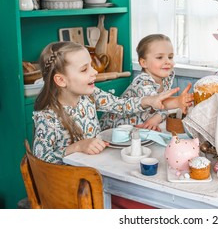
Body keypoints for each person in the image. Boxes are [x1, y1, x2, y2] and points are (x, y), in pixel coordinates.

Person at [32, 41, 192, 164]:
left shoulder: (90, 95)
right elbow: (40, 158)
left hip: (96, 165)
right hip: (71, 184)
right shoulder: (48, 116)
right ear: (61, 80)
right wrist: (77, 147)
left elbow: (120, 105)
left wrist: (151, 100)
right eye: (84, 69)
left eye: (91, 66)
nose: (94, 72)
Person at [100, 34, 192, 132]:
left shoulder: (165, 78)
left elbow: (161, 108)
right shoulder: (142, 83)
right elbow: (159, 102)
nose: (168, 61)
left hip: (138, 129)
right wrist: (178, 101)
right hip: (114, 131)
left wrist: (157, 117)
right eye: (160, 57)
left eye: (170, 57)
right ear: (144, 63)